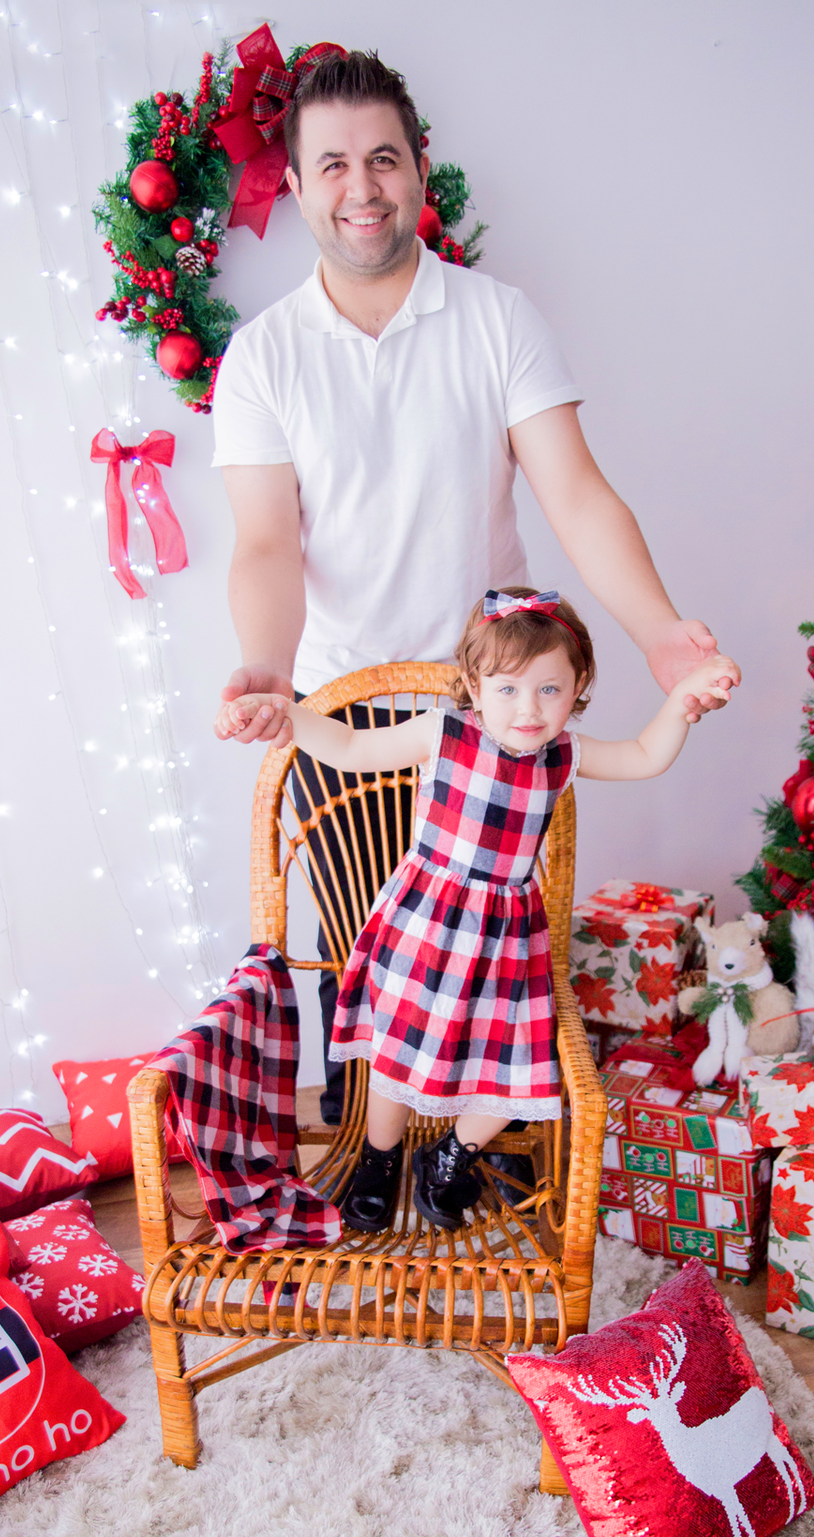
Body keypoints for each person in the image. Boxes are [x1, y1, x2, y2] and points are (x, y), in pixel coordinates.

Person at [211, 47, 739, 1124]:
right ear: (298, 186)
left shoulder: (499, 319)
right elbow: (265, 544)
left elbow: (577, 496)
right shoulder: (262, 358)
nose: (362, 187)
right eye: (334, 165)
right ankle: (372, 1159)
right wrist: (264, 668)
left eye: (383, 158)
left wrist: (659, 634)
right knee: (367, 955)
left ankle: (477, 1157)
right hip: (343, 708)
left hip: (494, 704)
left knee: (489, 958)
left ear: (419, 168)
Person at [216, 587, 740, 1233]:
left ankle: (450, 1153)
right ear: (473, 685)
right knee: (397, 1053)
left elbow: (644, 755)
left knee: (521, 1068)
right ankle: (380, 1159)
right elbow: (351, 749)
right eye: (508, 689)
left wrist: (683, 701)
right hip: (428, 924)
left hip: (507, 939)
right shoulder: (448, 732)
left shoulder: (562, 756)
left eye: (550, 689)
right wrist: (286, 715)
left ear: (579, 688)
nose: (529, 708)